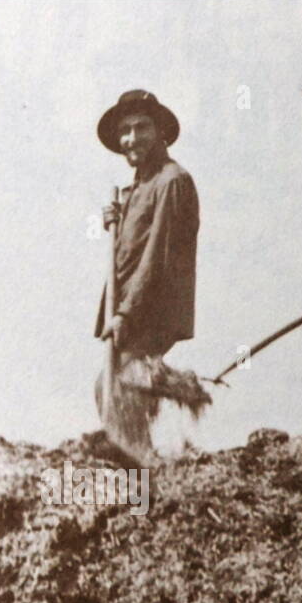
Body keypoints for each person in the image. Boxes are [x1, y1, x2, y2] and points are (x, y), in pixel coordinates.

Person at [94, 90, 200, 462]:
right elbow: (132, 245)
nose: (131, 138)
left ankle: (141, 465)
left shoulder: (172, 181)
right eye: (125, 131)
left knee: (119, 388)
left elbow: (157, 257)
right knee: (111, 388)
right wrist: (118, 218)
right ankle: (141, 458)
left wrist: (126, 313)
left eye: (141, 128)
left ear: (160, 133)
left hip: (150, 308)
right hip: (128, 304)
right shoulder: (140, 185)